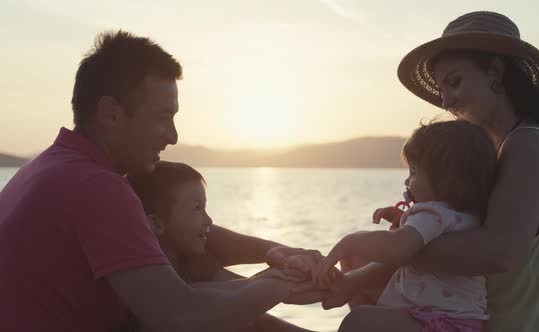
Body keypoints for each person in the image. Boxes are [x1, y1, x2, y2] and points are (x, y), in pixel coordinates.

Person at [0, 30, 327, 332]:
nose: (172, 136)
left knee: (220, 295)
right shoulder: (95, 187)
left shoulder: (52, 169)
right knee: (221, 310)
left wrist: (277, 253)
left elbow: (178, 232)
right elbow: (179, 317)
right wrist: (280, 284)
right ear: (112, 113)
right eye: (162, 117)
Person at [331, 11, 539, 332]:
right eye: (442, 89)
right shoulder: (514, 147)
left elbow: (500, 255)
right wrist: (399, 240)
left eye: (454, 82)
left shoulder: (528, 146)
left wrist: (401, 244)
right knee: (360, 267)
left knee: (363, 298)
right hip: (479, 316)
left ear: (494, 72)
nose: (446, 100)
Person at [315, 120, 497, 331]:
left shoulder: (432, 213)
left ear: (444, 179)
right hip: (463, 323)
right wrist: (405, 220)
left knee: (358, 321)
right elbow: (432, 233)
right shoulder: (469, 215)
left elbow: (396, 248)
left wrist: (347, 244)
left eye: (413, 173)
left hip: (440, 324)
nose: (407, 182)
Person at [127, 160, 320, 331]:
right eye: (196, 209)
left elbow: (241, 291)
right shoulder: (140, 279)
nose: (209, 220)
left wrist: (292, 271)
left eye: (205, 208)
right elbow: (217, 298)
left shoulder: (194, 263)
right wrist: (280, 281)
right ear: (157, 224)